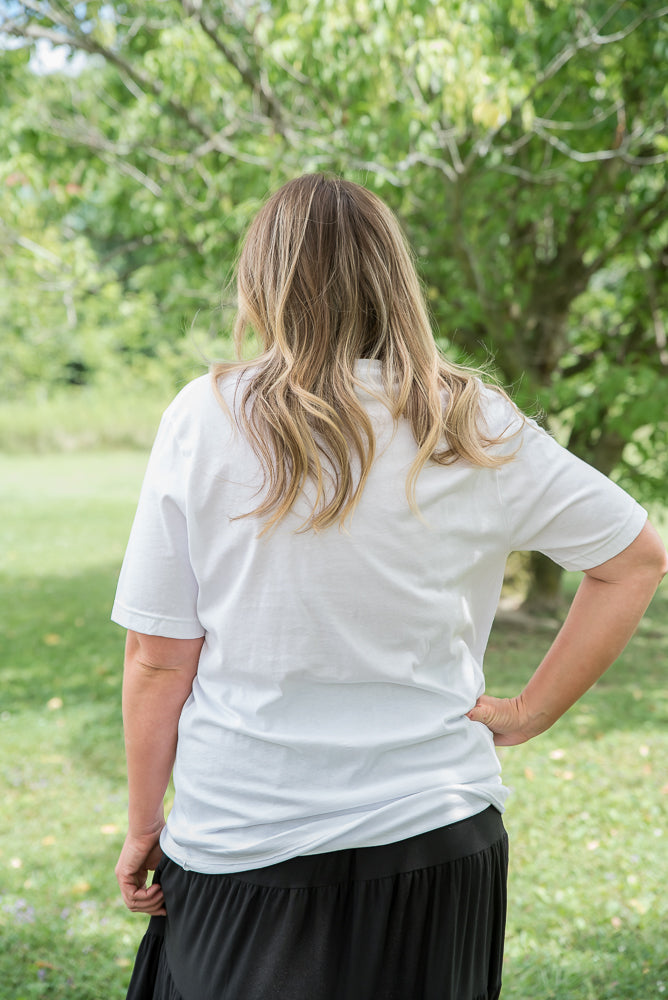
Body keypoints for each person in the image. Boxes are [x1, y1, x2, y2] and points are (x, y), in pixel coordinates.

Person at [112, 173, 667, 1000]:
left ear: (265, 283)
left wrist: (143, 825)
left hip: (246, 839)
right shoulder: (474, 422)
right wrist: (529, 712)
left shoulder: (207, 416)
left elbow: (160, 660)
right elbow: (636, 557)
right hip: (438, 840)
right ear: (393, 277)